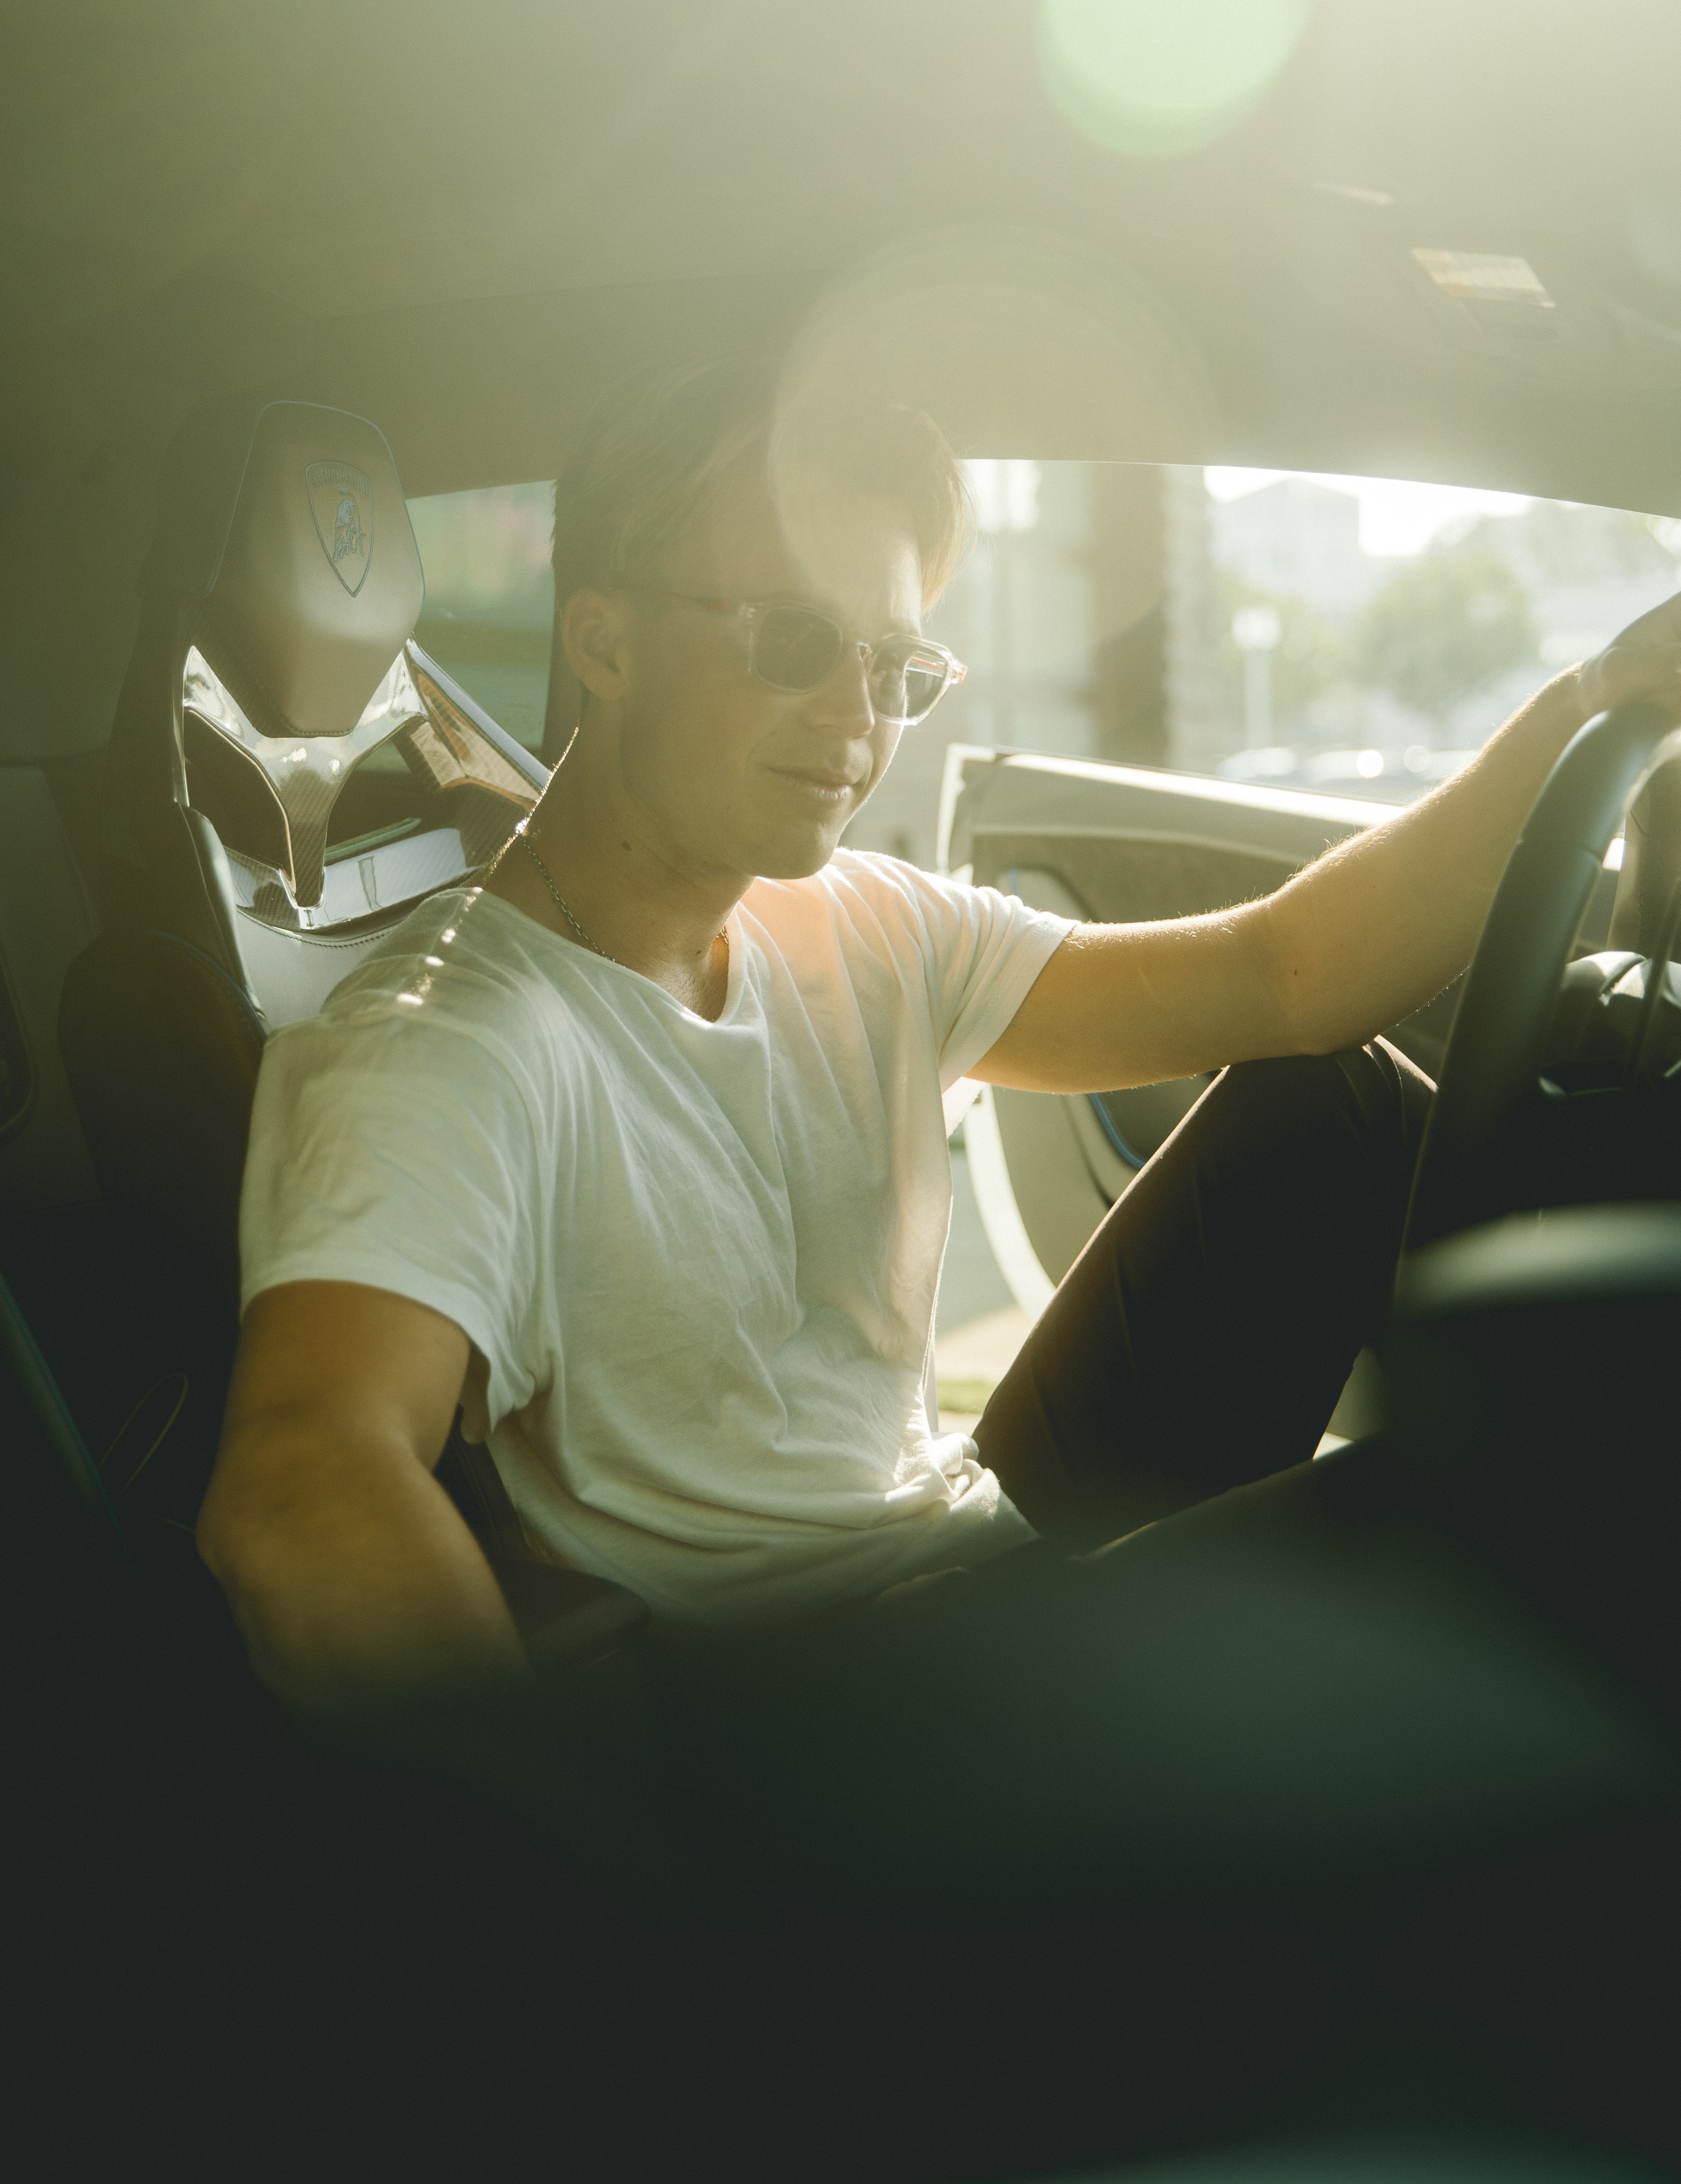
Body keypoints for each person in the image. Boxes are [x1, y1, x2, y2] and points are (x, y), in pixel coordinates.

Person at [197, 365, 1681, 1708]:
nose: (859, 716)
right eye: (795, 641)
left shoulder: (863, 926)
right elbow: (300, 1486)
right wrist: (607, 1909)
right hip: (832, 1704)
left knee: (1328, 1111)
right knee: (1510, 1528)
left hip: (972, 1548)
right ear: (603, 642)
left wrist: (1590, 703)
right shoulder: (447, 1042)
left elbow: (1285, 977)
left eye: (895, 667)